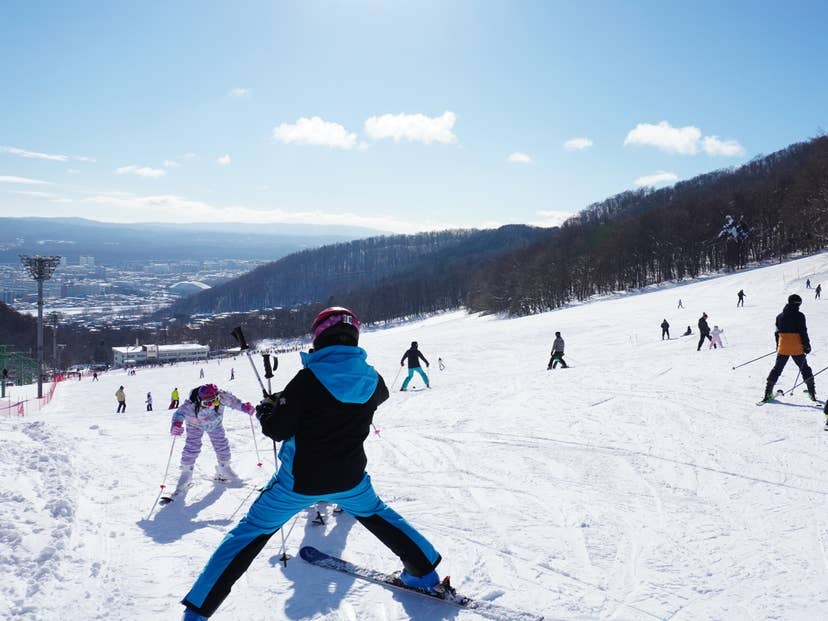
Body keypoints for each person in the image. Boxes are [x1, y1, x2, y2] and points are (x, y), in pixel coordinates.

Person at [179, 307, 443, 620]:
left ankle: (198, 610)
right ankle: (424, 571)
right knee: (377, 514)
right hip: (351, 477)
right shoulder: (373, 379)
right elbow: (370, 397)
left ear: (319, 339)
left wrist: (269, 410)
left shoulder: (307, 380)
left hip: (298, 482)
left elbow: (277, 429)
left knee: (249, 533)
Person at [169, 383, 256, 495]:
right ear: (200, 399)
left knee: (221, 444)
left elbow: (234, 402)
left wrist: (244, 407)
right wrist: (176, 424)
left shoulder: (222, 397)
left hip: (215, 424)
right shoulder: (190, 405)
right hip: (194, 425)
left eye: (214, 401)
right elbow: (178, 414)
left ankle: (223, 468)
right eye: (206, 403)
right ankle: (187, 473)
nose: (210, 405)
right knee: (192, 447)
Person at [763, 294, 816, 402]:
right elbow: (803, 332)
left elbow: (777, 333)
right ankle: (812, 393)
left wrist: (777, 345)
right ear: (798, 303)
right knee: (805, 368)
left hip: (783, 347)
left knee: (777, 369)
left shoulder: (779, 316)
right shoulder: (800, 316)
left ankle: (767, 394)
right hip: (797, 348)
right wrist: (807, 345)